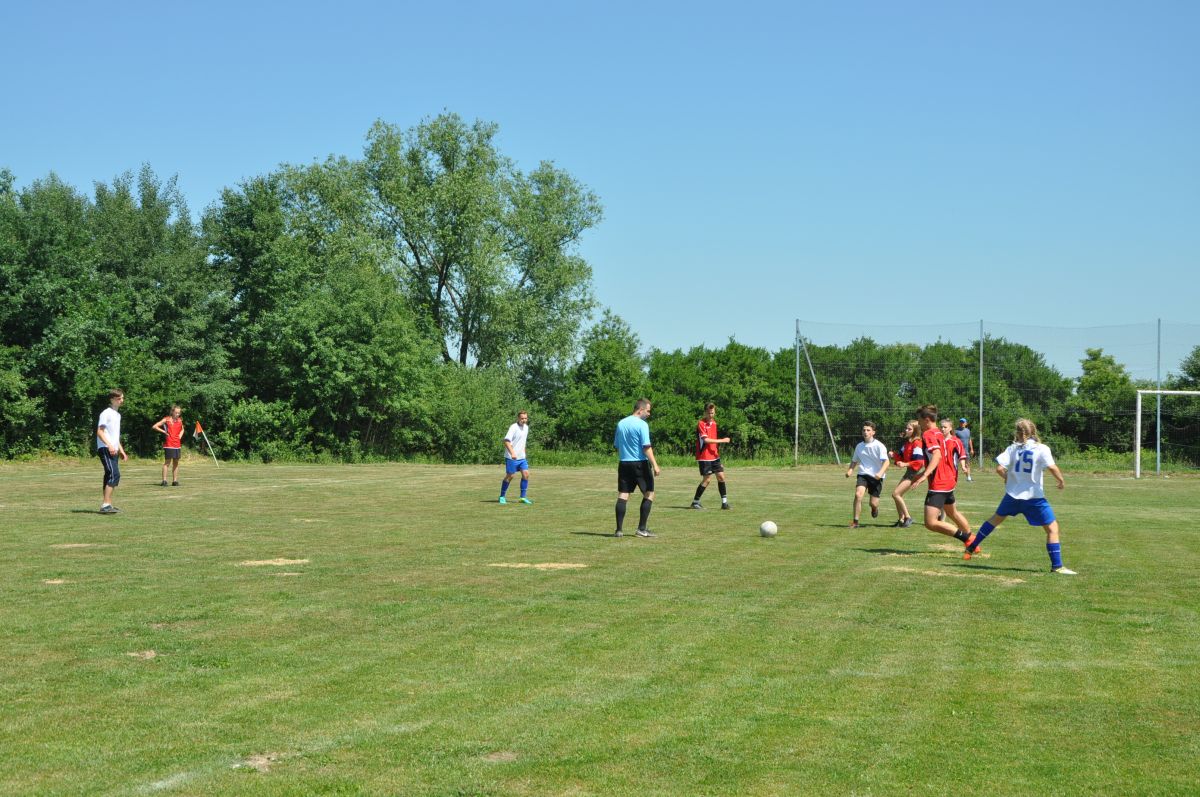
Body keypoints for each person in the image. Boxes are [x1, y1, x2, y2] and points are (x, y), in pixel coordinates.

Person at [964, 418, 1077, 574]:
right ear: (1033, 431)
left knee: (994, 520)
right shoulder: (1041, 448)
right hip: (1033, 497)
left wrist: (1007, 478)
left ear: (1017, 433)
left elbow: (999, 469)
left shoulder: (1012, 448)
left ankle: (971, 547)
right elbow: (1052, 467)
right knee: (1052, 529)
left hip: (1012, 495)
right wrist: (1061, 480)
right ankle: (1057, 566)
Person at [909, 405, 974, 544]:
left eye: (919, 420)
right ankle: (973, 541)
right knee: (952, 513)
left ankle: (968, 539)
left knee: (930, 522)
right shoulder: (939, 432)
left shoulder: (928, 434)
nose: (918, 423)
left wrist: (924, 475)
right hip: (948, 480)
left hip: (939, 484)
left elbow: (937, 455)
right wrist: (922, 474)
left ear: (927, 420)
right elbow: (940, 460)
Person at [613, 398, 661, 538]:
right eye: (648, 411)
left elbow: (617, 445)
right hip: (640, 464)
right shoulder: (642, 425)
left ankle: (619, 530)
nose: (649, 414)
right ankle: (641, 529)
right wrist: (655, 465)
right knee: (649, 493)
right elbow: (646, 447)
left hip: (624, 463)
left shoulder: (621, 423)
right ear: (640, 410)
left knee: (623, 494)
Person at [845, 421, 889, 527]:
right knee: (858, 495)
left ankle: (874, 508)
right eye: (864, 430)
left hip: (876, 477)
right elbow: (854, 461)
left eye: (868, 430)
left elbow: (886, 462)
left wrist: (880, 473)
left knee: (873, 503)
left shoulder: (879, 446)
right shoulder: (859, 446)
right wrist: (850, 470)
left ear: (873, 432)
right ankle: (855, 522)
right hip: (863, 474)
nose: (865, 432)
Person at [691, 403, 731, 510]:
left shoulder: (714, 424)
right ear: (705, 412)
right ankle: (695, 502)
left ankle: (724, 503)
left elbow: (714, 443)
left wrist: (718, 456)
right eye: (709, 413)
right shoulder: (701, 423)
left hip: (714, 456)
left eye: (712, 413)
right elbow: (706, 440)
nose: (711, 415)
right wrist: (723, 440)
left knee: (721, 477)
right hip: (704, 456)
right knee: (707, 480)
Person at [96, 389, 127, 514]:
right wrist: (109, 445)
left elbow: (115, 436)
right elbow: (100, 432)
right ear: (112, 399)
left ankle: (107, 504)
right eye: (119, 398)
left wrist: (121, 450)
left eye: (122, 398)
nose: (121, 401)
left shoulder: (117, 415)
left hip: (114, 449)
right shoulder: (106, 413)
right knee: (114, 474)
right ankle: (105, 505)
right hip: (105, 448)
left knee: (110, 475)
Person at [889, 420, 925, 527]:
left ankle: (908, 517)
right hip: (909, 472)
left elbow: (919, 462)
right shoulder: (908, 443)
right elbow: (900, 457)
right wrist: (893, 455)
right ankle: (901, 519)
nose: (906, 430)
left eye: (909, 429)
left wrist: (905, 464)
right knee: (897, 495)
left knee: (896, 494)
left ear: (916, 430)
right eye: (906, 428)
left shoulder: (917, 443)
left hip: (914, 473)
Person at [499, 410, 532, 505]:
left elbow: (523, 442)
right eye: (522, 418)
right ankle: (502, 496)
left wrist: (524, 453)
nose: (524, 420)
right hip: (511, 457)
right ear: (518, 418)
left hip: (522, 457)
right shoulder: (513, 427)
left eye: (525, 418)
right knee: (510, 476)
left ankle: (522, 498)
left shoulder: (526, 428)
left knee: (526, 474)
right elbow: (506, 441)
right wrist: (512, 453)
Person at [152, 405, 184, 486]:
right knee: (167, 463)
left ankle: (175, 481)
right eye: (176, 412)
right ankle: (164, 481)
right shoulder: (166, 419)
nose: (177, 414)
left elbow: (182, 429)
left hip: (177, 445)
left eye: (179, 413)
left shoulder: (180, 420)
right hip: (169, 444)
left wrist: (180, 436)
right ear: (172, 412)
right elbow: (155, 426)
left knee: (176, 463)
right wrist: (164, 432)